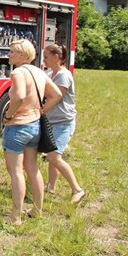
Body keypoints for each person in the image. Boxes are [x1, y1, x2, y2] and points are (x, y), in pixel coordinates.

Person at [2, 39, 62, 225]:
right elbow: (57, 95)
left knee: (16, 171)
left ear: (22, 55)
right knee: (33, 168)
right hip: (35, 126)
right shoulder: (39, 72)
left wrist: (9, 115)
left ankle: (16, 216)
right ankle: (37, 210)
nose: (8, 54)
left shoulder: (18, 72)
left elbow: (19, 96)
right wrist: (41, 110)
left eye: (12, 52)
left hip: (18, 126)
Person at [43, 44, 86, 204]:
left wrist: (41, 110)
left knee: (53, 156)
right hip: (52, 121)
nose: (44, 60)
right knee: (53, 156)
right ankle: (51, 187)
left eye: (47, 56)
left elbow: (56, 97)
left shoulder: (63, 76)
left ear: (56, 57)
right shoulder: (50, 74)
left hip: (63, 123)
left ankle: (77, 190)